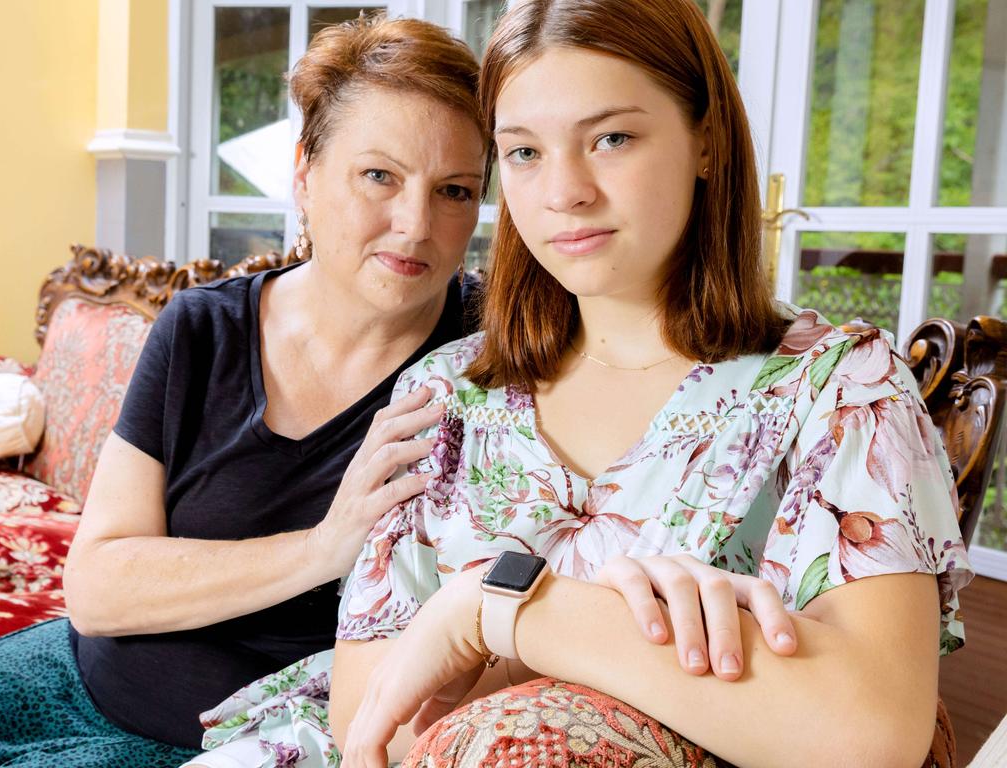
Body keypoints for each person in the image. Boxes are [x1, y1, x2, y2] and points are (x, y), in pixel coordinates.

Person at [192, 1, 973, 767]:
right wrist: (558, 640)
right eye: (525, 153)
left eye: (611, 137)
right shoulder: (444, 397)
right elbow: (372, 727)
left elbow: (873, 732)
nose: (563, 191)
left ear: (705, 141)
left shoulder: (842, 387)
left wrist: (491, 609)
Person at [0, 14, 488, 767]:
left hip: (227, 744)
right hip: (71, 673)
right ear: (305, 176)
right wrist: (324, 547)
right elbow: (94, 585)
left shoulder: (490, 360)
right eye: (378, 175)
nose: (416, 224)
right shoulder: (201, 330)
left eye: (454, 190)